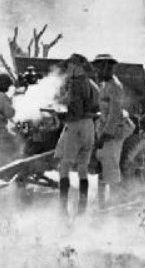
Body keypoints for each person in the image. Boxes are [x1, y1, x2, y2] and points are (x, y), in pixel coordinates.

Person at [56, 53, 99, 216]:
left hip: (75, 126)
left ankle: (63, 210)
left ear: (75, 67)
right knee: (82, 168)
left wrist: (60, 115)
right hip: (89, 126)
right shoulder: (91, 83)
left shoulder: (76, 83)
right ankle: (82, 209)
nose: (67, 69)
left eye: (69, 66)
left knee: (64, 165)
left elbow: (75, 110)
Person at [92, 54, 135, 205]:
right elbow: (105, 110)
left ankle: (116, 203)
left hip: (114, 131)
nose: (96, 71)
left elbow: (115, 115)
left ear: (106, 67)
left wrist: (104, 136)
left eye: (99, 67)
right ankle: (102, 202)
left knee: (110, 165)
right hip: (105, 127)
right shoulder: (105, 84)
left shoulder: (115, 87)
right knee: (102, 163)